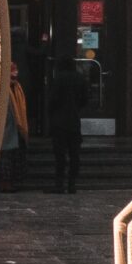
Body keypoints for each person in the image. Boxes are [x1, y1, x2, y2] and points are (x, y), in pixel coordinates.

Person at [47, 54, 86, 194]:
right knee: (74, 154)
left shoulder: (58, 79)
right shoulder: (80, 78)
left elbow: (53, 99)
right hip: (74, 121)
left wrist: (51, 113)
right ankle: (72, 184)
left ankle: (59, 184)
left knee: (60, 155)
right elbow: (84, 99)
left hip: (59, 122)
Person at [3, 62, 31, 193]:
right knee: (7, 156)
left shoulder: (17, 87)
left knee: (15, 155)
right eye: (13, 70)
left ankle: (14, 180)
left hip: (16, 126)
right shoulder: (4, 88)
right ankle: (7, 182)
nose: (16, 72)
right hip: (8, 126)